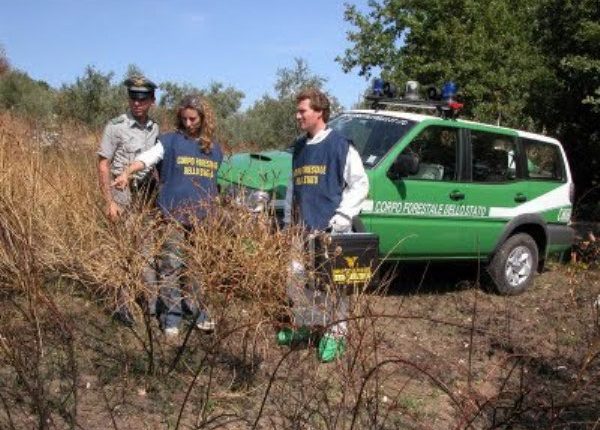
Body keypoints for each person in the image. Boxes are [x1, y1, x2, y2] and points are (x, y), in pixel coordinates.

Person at [113, 95, 223, 337]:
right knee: (170, 265)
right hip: (172, 215)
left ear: (204, 119)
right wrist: (127, 173)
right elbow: (147, 158)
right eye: (184, 118)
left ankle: (197, 311)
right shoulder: (170, 142)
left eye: (193, 118)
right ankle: (171, 316)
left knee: (197, 267)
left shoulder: (214, 149)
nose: (188, 123)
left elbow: (218, 183)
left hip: (202, 218)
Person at [279, 88, 369, 362]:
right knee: (297, 280)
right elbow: (294, 188)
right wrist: (287, 222)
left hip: (331, 232)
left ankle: (336, 335)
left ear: (319, 112)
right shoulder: (300, 147)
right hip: (301, 229)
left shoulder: (341, 146)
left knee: (335, 288)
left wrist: (342, 218)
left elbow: (360, 184)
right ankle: (309, 326)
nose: (298, 116)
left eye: (302, 111)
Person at [97, 75, 160, 326]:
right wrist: (108, 201)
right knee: (123, 248)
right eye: (133, 97)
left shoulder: (155, 128)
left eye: (142, 98)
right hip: (121, 193)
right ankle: (122, 304)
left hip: (146, 194)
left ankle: (148, 300)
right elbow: (103, 164)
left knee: (146, 248)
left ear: (151, 101)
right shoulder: (116, 126)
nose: (137, 103)